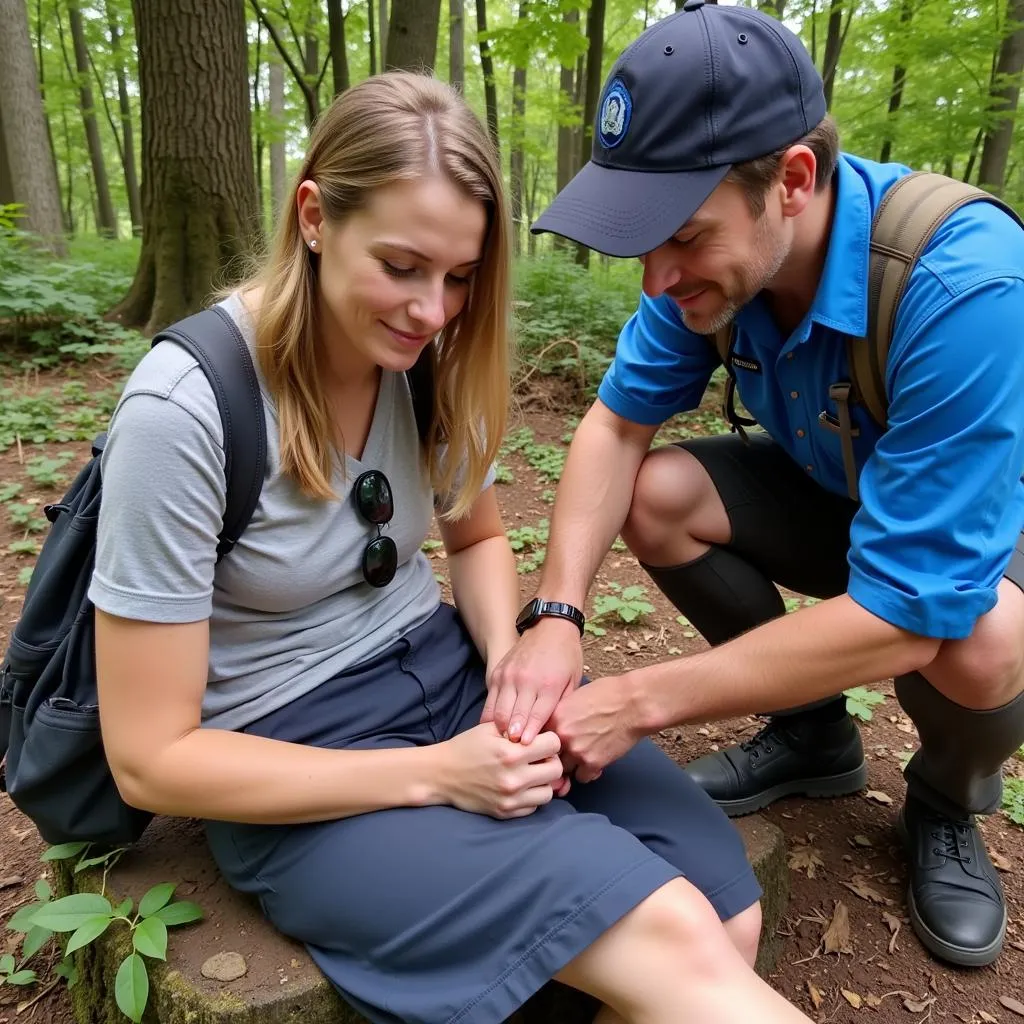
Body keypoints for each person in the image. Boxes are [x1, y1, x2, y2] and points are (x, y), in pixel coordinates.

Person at [87, 72, 815, 1024]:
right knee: (674, 937)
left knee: (726, 912)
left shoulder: (418, 362)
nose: (432, 311)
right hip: (292, 751)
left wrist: (512, 664)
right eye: (401, 265)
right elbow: (149, 759)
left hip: (448, 675)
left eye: (460, 276)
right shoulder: (185, 411)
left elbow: (476, 536)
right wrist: (437, 774)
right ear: (314, 215)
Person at [492, 0, 1024, 972]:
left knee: (981, 641)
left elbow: (911, 607)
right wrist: (558, 610)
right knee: (654, 494)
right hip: (839, 491)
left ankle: (947, 800)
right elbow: (613, 427)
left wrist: (638, 701)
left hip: (968, 523)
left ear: (792, 180)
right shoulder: (709, 271)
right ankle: (810, 735)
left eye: (683, 236)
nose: (656, 277)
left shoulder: (964, 283)